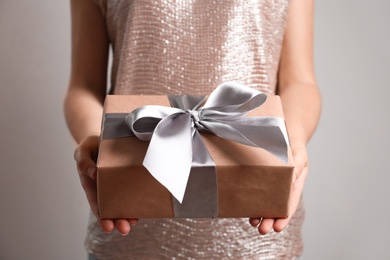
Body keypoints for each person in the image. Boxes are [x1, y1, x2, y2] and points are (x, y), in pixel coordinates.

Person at [64, 0, 321, 259]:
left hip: (258, 238)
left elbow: (299, 82)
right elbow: (83, 86)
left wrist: (294, 143)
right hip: (128, 230)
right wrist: (97, 143)